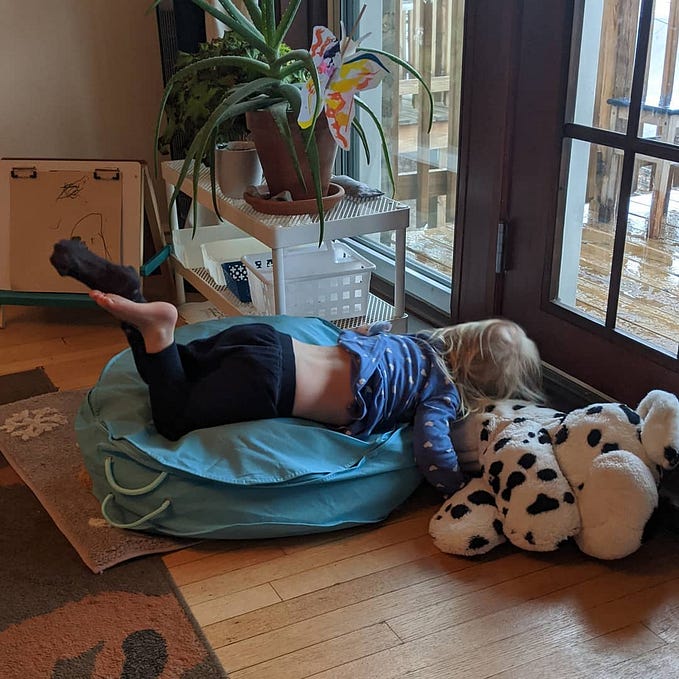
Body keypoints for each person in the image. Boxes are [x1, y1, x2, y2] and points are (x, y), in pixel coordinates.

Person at [50, 238, 544, 495]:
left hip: (269, 340)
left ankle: (137, 305)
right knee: (173, 417)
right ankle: (158, 327)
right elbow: (431, 448)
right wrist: (455, 484)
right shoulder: (441, 394)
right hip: (273, 382)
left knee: (173, 370)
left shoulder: (413, 343)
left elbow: (366, 332)